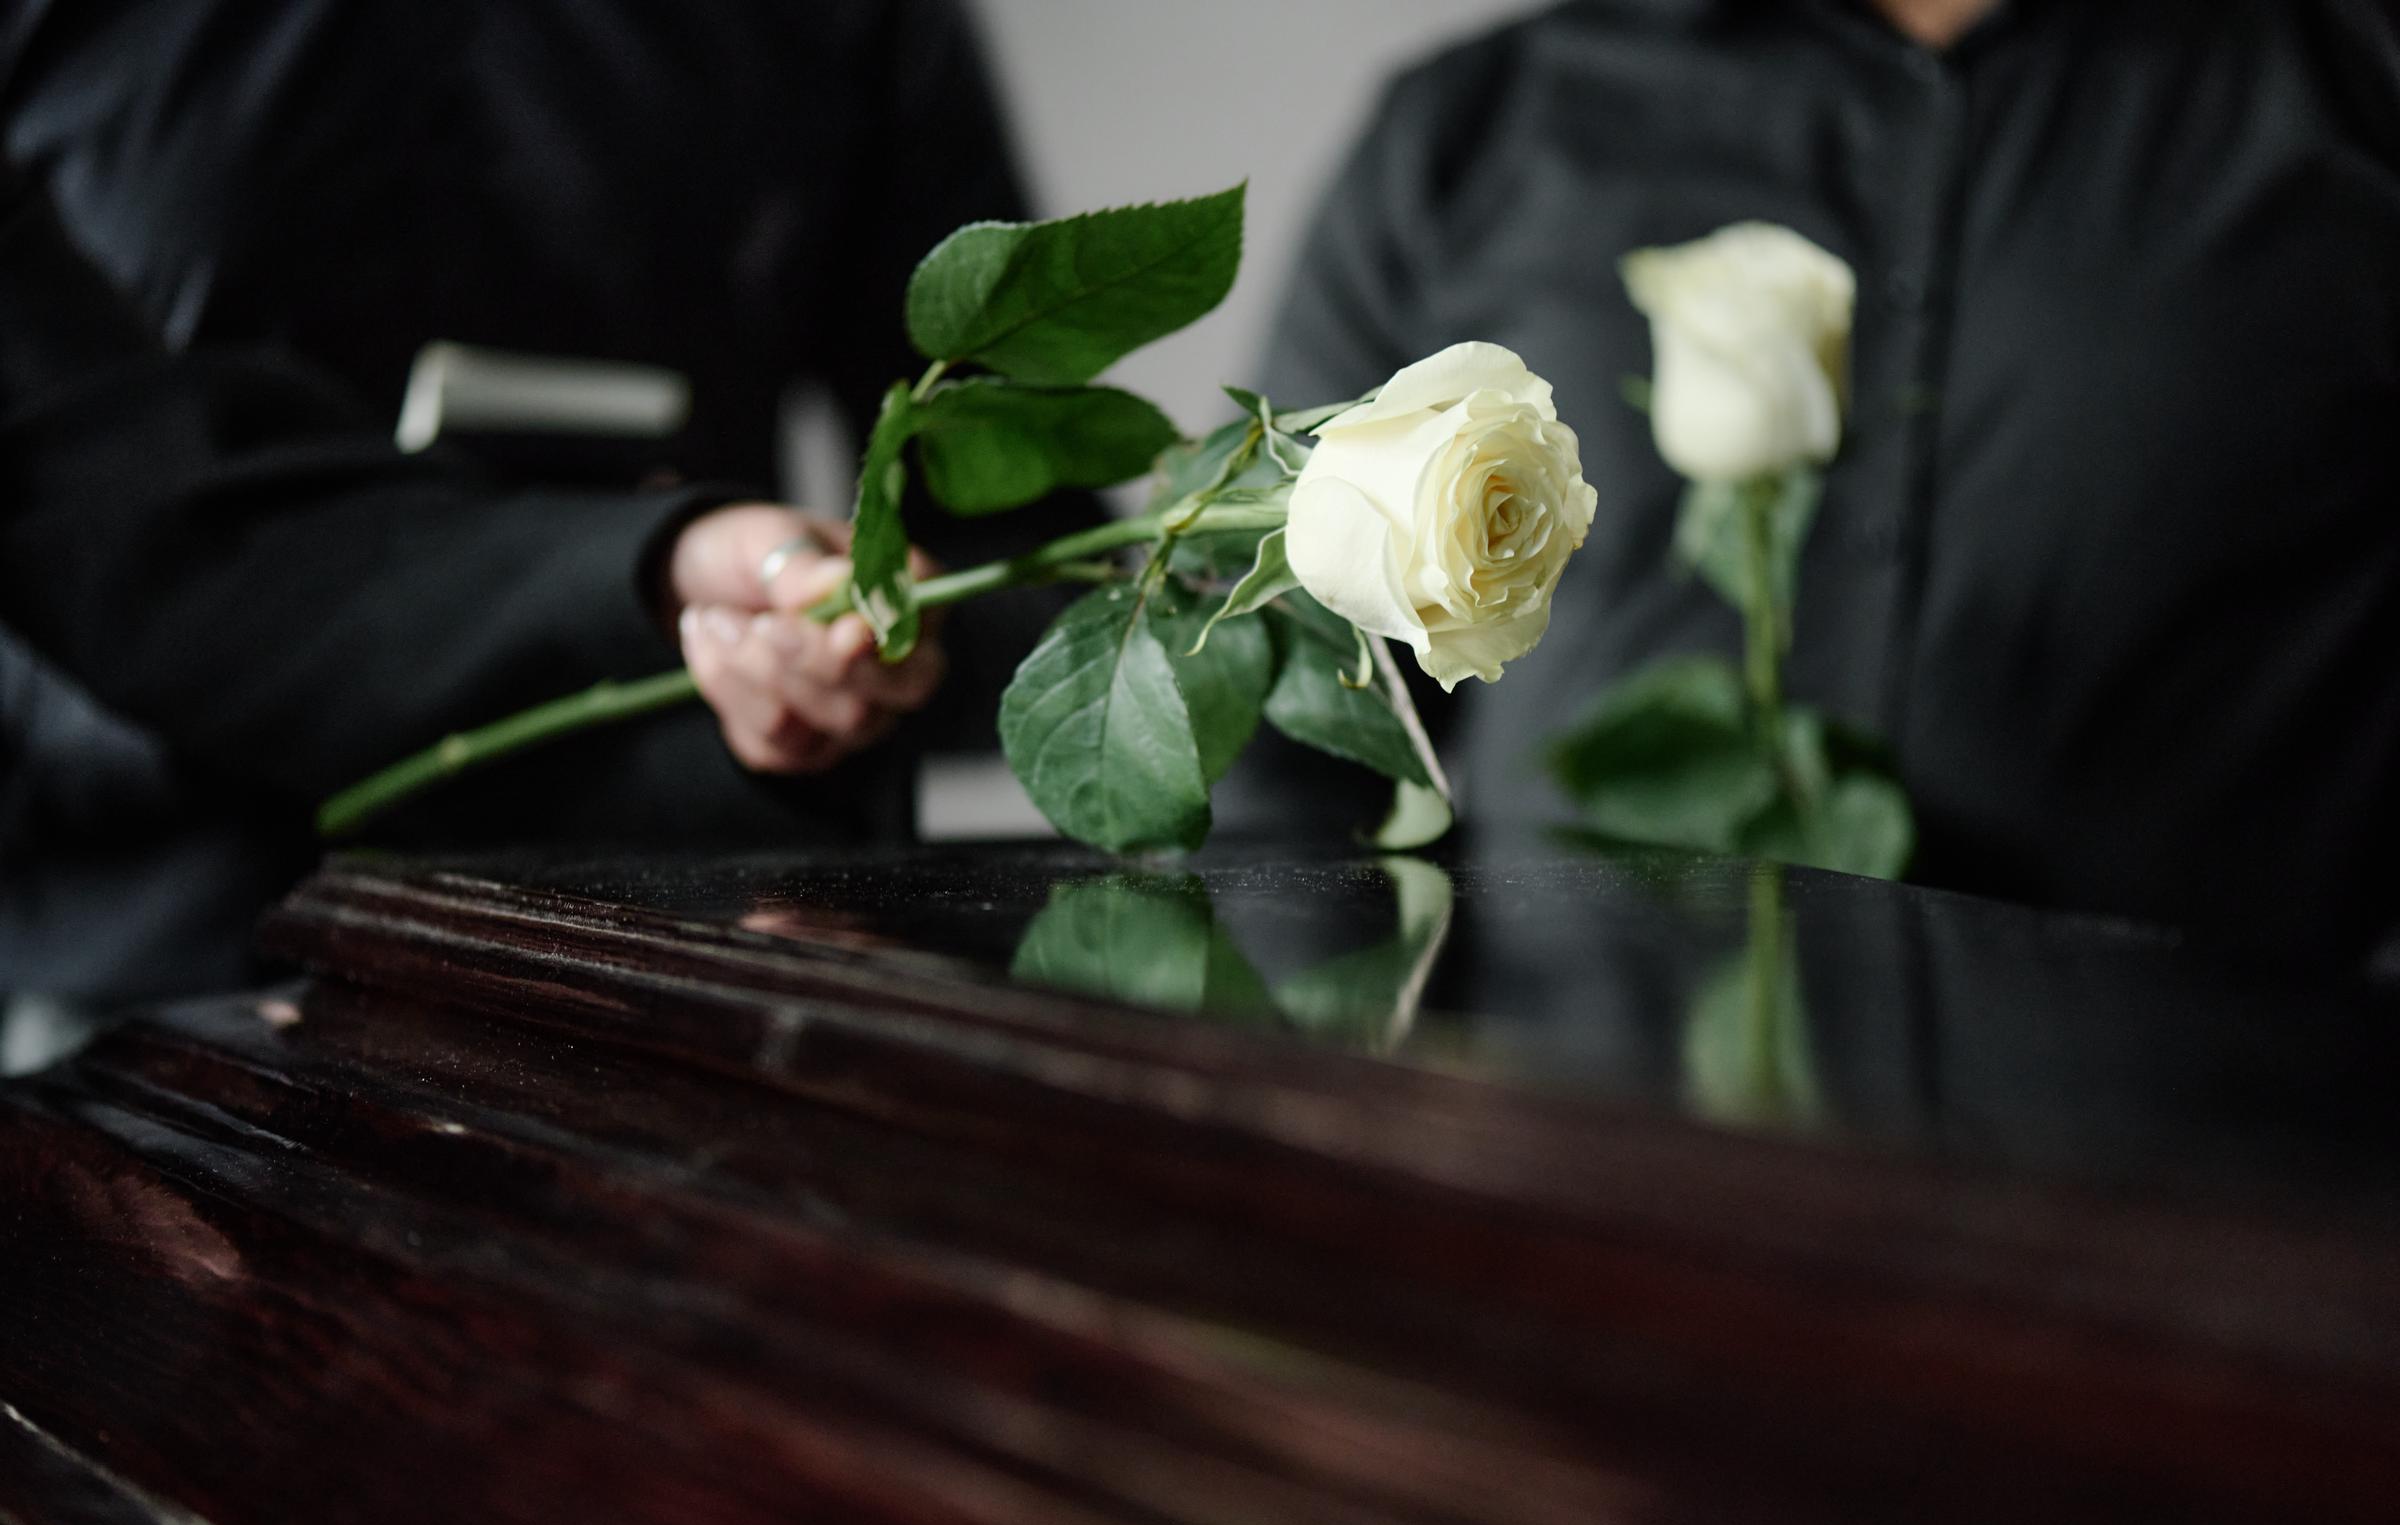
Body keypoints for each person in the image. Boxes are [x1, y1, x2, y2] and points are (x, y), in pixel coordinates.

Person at [1257, 0, 2400, 958]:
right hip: (1561, 1115)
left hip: (2200, 1132)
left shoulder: (2355, 90)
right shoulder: (1477, 127)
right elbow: (1276, 732)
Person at [1, 0, 1043, 1020]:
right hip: (138, 962)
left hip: (682, 947)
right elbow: (106, 491)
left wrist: (846, 640)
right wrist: (652, 570)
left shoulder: (847, 26)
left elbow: (1024, 551)